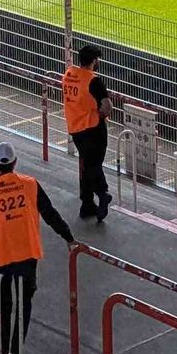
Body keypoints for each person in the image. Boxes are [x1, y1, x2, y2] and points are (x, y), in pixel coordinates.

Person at [0, 143, 73, 354]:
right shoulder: (30, 185)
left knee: (3, 305)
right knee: (23, 305)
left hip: (1, 257)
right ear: (15, 162)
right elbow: (50, 213)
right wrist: (68, 237)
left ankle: (3, 352)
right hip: (27, 254)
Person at [61, 43, 113, 223]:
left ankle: (87, 204)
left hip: (75, 127)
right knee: (93, 164)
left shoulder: (69, 74)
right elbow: (107, 106)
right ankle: (102, 192)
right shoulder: (93, 80)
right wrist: (101, 114)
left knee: (86, 164)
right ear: (94, 61)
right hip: (93, 128)